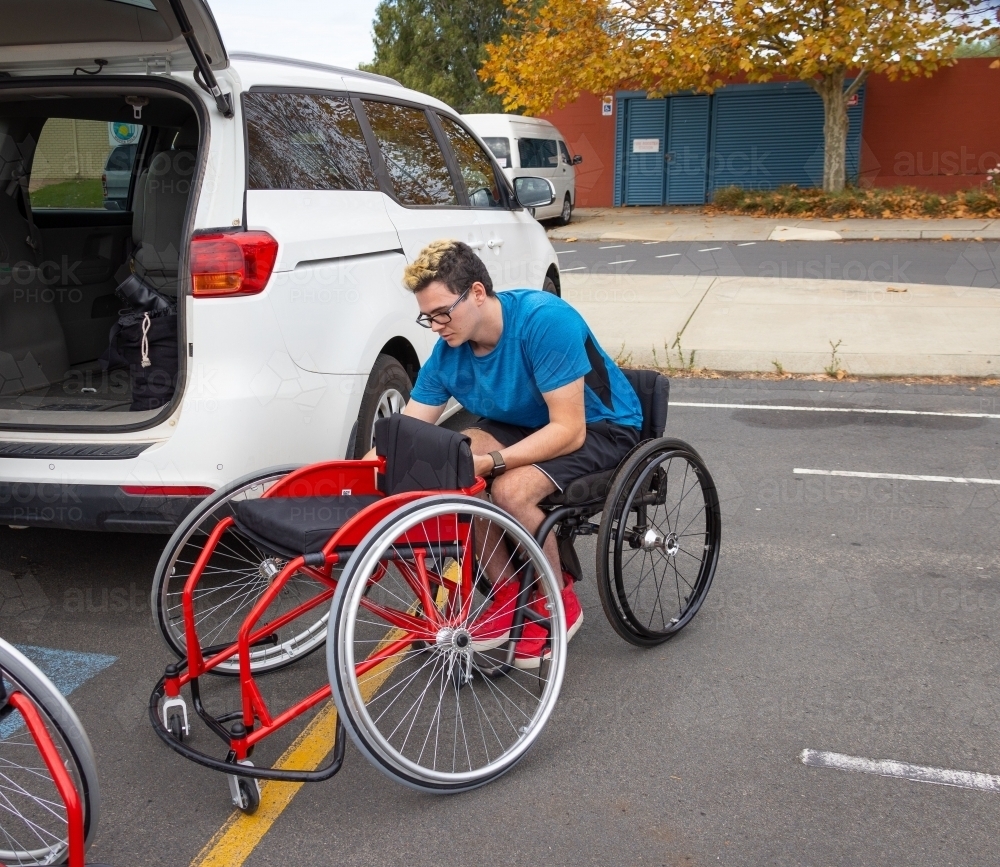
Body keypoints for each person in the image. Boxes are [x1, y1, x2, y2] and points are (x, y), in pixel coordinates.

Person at [391, 239, 643, 668]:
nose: (435, 326)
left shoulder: (544, 320)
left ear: (475, 293)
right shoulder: (448, 352)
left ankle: (555, 598)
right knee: (453, 464)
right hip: (527, 423)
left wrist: (492, 463)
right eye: (426, 317)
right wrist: (348, 475)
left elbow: (568, 429)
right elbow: (408, 431)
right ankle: (508, 594)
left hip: (601, 426)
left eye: (441, 313)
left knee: (509, 490)